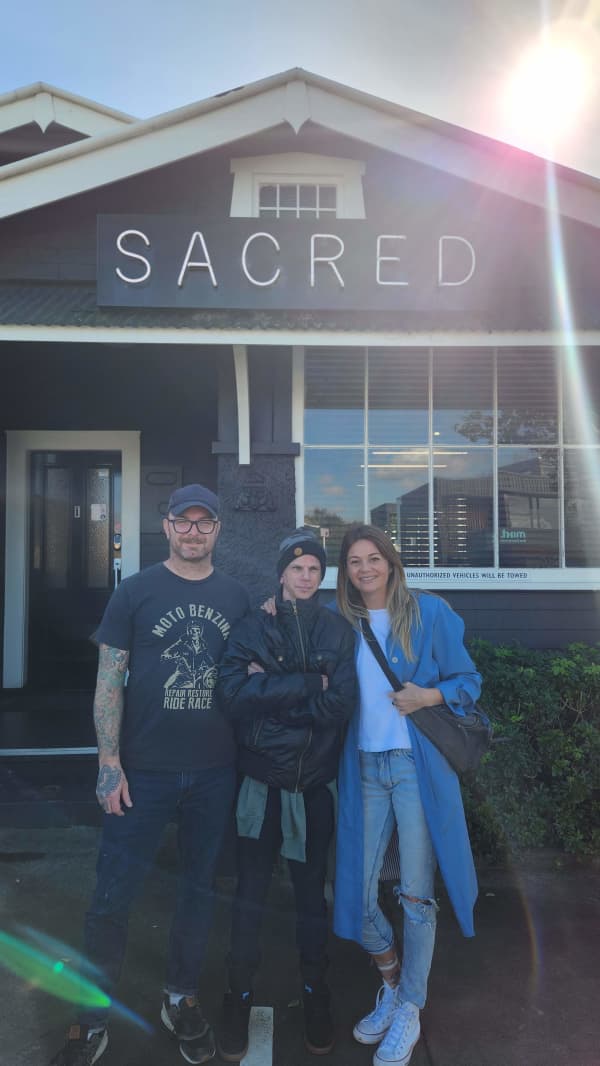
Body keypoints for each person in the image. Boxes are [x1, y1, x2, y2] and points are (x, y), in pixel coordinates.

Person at [49, 484, 250, 1066]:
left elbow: (250, 668)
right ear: (165, 527)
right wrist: (108, 765)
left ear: (217, 529)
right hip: (143, 774)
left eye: (203, 522)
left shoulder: (236, 596)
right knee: (111, 897)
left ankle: (180, 999)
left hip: (215, 772)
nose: (193, 532)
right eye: (182, 522)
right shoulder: (135, 592)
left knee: (197, 892)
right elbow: (109, 680)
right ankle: (90, 1020)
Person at [333, 525, 482, 1066]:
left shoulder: (430, 614)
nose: (365, 568)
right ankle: (392, 983)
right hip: (364, 768)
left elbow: (469, 680)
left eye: (374, 558)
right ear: (345, 571)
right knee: (357, 890)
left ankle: (412, 1008)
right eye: (354, 561)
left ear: (392, 564)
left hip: (414, 769)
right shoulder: (343, 624)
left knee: (418, 895)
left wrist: (429, 694)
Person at [215, 527, 357, 1060]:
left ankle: (316, 992)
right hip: (260, 790)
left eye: (314, 570)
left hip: (312, 790)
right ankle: (238, 994)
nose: (305, 576)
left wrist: (271, 689)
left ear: (322, 577)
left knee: (308, 901)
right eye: (296, 568)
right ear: (281, 573)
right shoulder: (253, 627)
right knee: (248, 896)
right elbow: (232, 694)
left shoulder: (336, 633)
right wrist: (305, 683)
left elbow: (339, 704)